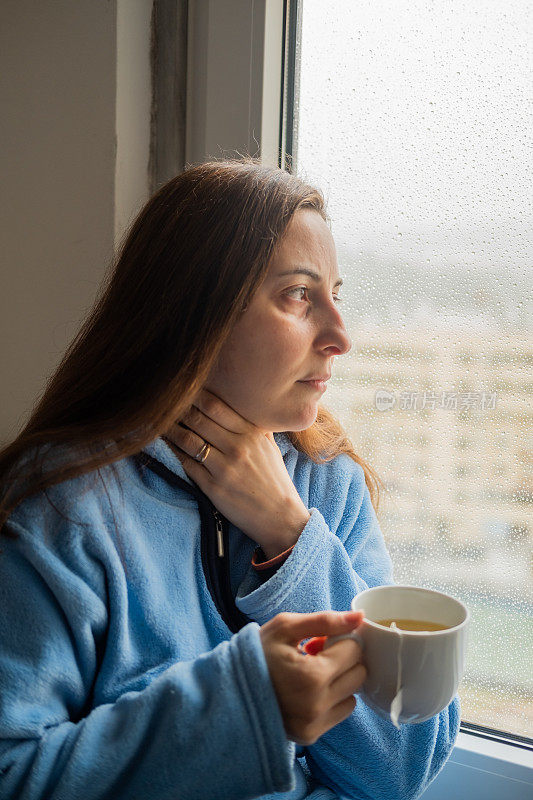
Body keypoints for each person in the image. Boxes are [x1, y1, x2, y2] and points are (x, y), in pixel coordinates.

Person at [0, 157, 460, 800]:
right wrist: (241, 709)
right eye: (299, 295)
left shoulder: (328, 485)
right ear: (194, 314)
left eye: (337, 295)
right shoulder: (62, 508)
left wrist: (289, 534)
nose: (339, 336)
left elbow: (398, 770)